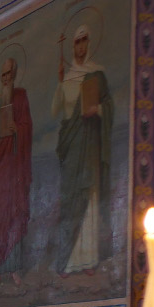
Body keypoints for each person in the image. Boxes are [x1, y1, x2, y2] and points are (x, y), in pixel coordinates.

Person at [51, 25, 113, 276]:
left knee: (89, 196)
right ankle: (67, 259)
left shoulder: (97, 74)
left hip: (89, 145)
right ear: (72, 46)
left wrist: (97, 110)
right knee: (70, 200)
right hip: (71, 146)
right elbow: (58, 112)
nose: (81, 47)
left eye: (85, 41)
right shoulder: (67, 78)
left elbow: (108, 104)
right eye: (77, 42)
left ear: (89, 43)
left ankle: (88, 261)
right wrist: (60, 84)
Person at [0, 57, 33, 288]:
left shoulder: (21, 97)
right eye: (3, 75)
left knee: (15, 213)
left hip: (15, 164)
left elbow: (28, 126)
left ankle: (14, 268)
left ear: (14, 74)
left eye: (9, 74)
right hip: (0, 166)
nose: (6, 78)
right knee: (0, 215)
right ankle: (0, 267)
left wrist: (18, 129)